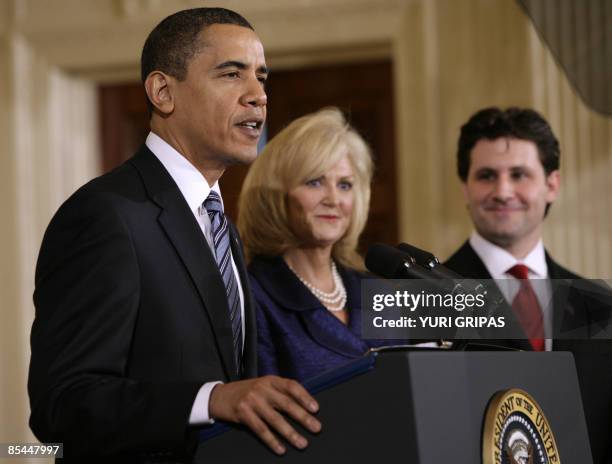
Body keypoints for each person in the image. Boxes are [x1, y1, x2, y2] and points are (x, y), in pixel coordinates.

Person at [28, 8, 320, 461]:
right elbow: (63, 405)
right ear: (163, 92)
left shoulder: (221, 224)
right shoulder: (106, 216)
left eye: (262, 78)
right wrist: (210, 400)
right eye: (231, 74)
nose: (258, 96)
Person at [444, 106, 612, 463]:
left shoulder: (600, 304)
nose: (503, 191)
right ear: (465, 188)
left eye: (519, 174)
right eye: (487, 175)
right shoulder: (423, 298)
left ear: (552, 184)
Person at [238, 107, 389, 382]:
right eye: (315, 182)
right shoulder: (250, 298)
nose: (333, 199)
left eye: (344, 185)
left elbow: (483, 317)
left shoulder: (376, 291)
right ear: (277, 195)